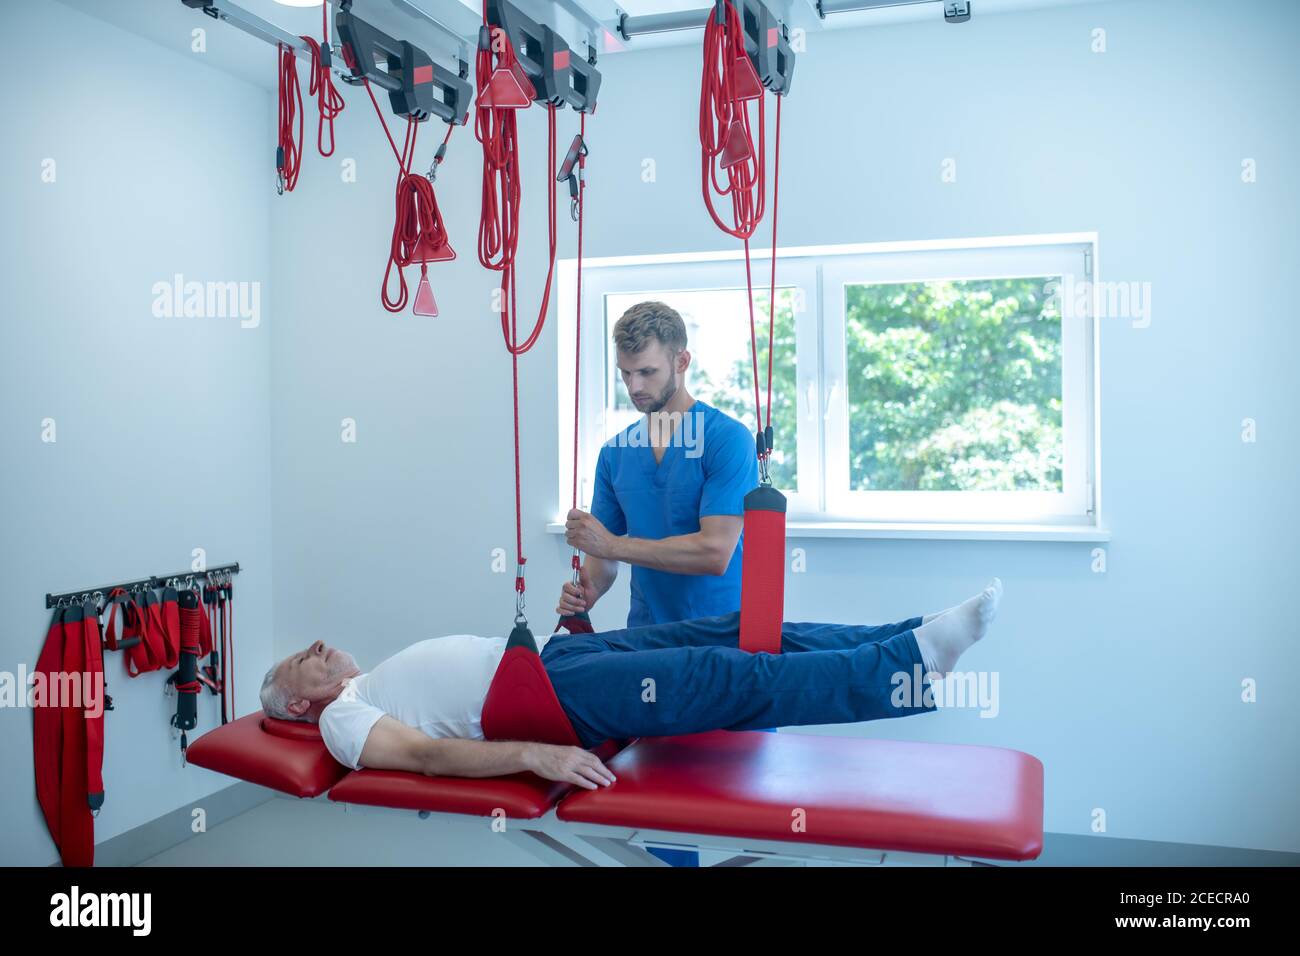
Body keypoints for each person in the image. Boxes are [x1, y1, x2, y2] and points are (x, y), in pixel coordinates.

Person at [259, 580, 1002, 791]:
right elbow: (423, 758)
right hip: (553, 703)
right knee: (725, 678)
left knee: (732, 632)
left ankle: (903, 636)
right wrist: (536, 757)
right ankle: (909, 669)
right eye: (300, 659)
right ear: (298, 702)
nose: (316, 646)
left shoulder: (370, 677)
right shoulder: (341, 721)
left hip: (555, 661)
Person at [558, 300, 757, 628]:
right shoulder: (615, 454)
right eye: (626, 372)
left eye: (647, 372)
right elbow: (603, 560)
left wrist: (611, 544)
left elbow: (714, 553)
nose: (634, 387)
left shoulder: (728, 439)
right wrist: (588, 589)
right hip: (645, 636)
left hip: (720, 637)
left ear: (682, 361)